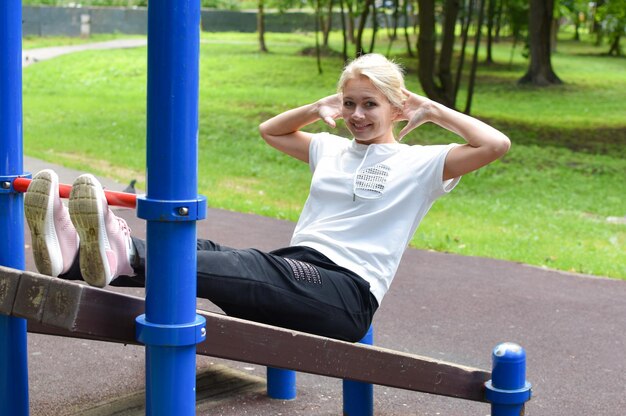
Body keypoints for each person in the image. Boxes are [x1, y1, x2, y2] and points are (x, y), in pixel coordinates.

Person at [24, 53, 510, 342]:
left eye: (370, 104)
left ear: (396, 106)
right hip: (294, 270)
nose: (358, 114)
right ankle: (77, 257)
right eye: (349, 103)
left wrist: (432, 110)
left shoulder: (422, 164)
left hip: (344, 293)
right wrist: (315, 107)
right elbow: (271, 131)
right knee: (213, 254)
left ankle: (119, 251)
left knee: (252, 266)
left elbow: (495, 145)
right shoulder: (332, 148)